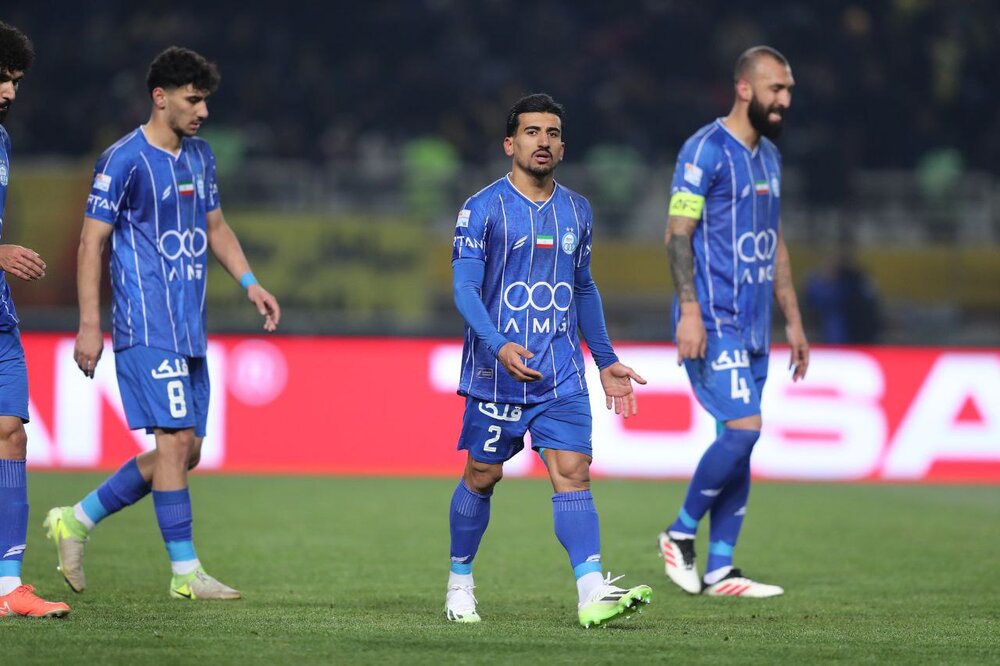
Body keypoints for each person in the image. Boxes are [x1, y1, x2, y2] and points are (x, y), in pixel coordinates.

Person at [43, 47, 280, 601]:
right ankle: (185, 573)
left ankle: (75, 520)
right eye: (193, 100)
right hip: (144, 323)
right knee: (172, 443)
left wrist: (251, 283)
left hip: (190, 328)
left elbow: (216, 227)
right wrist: (89, 324)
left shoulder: (201, 157)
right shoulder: (122, 160)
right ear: (160, 97)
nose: (203, 111)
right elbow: (91, 242)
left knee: (187, 451)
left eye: (205, 100)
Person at [446, 93, 651, 627]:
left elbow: (583, 288)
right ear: (509, 144)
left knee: (573, 472)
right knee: (482, 474)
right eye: (532, 132)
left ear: (562, 146)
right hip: (496, 373)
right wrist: (498, 344)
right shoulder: (481, 208)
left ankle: (591, 592)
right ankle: (460, 582)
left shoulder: (578, 210)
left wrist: (604, 360)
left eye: (553, 133)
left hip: (560, 372)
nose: (544, 141)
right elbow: (465, 289)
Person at [657, 46, 810, 597]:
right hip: (712, 317)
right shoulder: (704, 150)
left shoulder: (771, 157)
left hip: (754, 324)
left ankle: (721, 568)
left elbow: (774, 241)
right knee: (746, 428)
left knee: (738, 439)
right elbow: (677, 233)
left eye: (789, 90)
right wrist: (689, 311)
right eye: (776, 89)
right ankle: (679, 533)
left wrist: (793, 320)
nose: (785, 100)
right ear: (745, 88)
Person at [0, 21, 71, 619]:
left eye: (17, 81)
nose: (10, 92)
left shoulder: (0, 140)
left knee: (11, 434)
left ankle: (8, 587)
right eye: (3, 78)